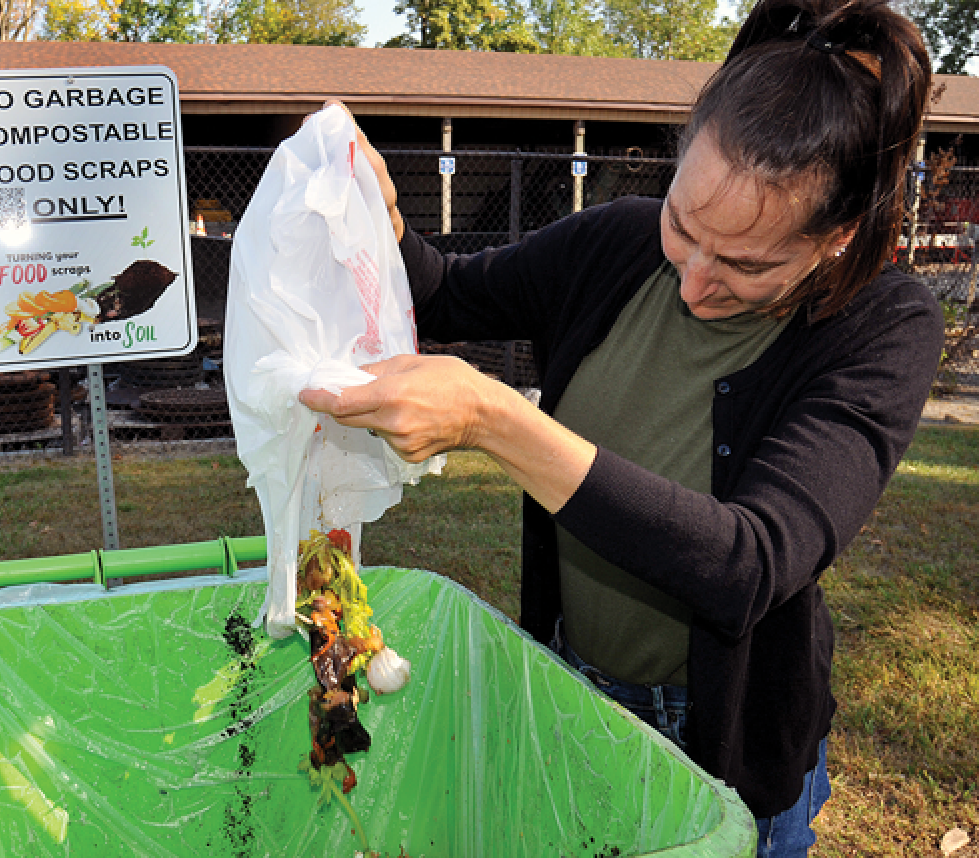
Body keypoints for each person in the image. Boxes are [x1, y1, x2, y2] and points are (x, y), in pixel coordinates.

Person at [298, 0, 944, 854]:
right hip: (576, 688)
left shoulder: (883, 325)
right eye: (684, 225)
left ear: (838, 238)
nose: (695, 283)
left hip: (725, 739)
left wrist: (497, 421)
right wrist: (381, 221)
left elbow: (749, 563)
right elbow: (445, 289)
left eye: (748, 264)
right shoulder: (617, 242)